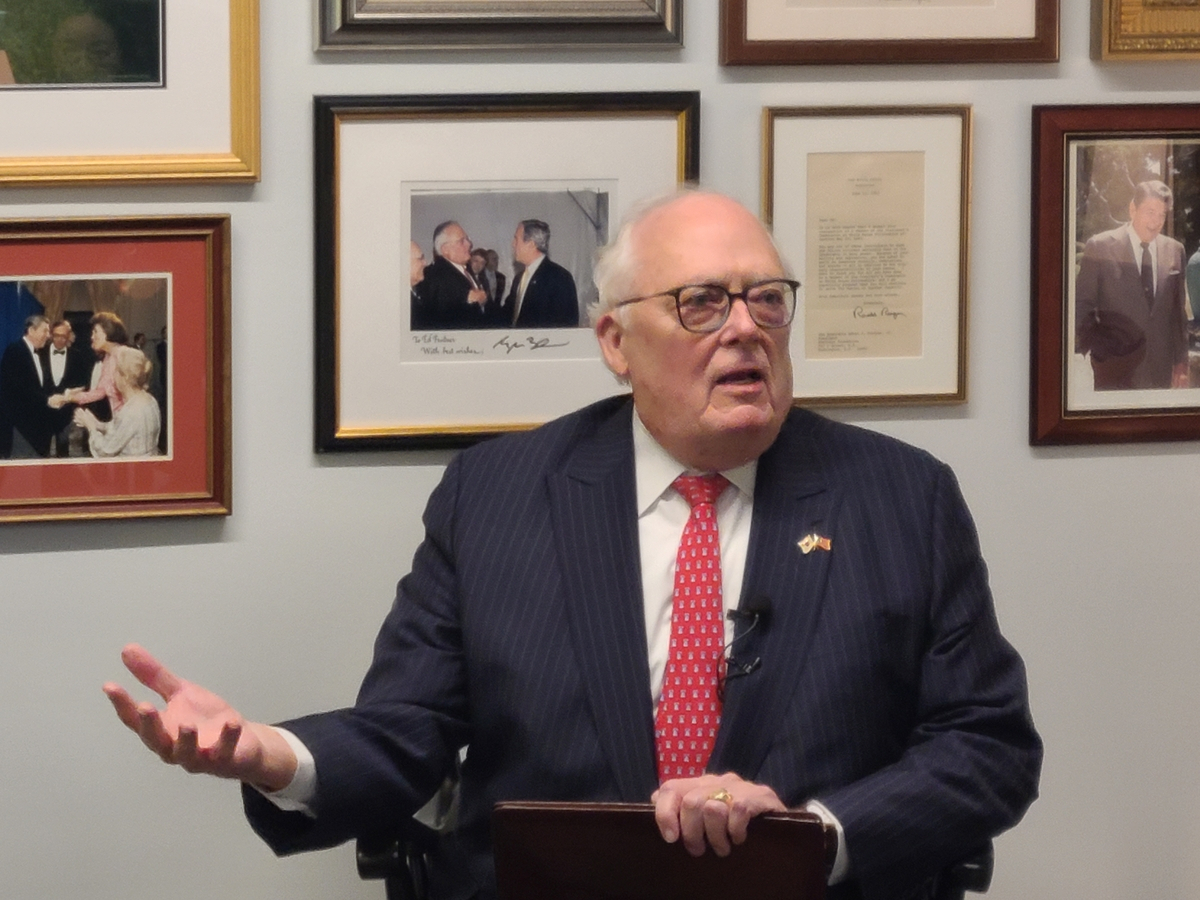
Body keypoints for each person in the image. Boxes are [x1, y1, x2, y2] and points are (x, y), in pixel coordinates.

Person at [104, 191, 1041, 900]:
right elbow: (408, 732)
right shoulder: (500, 495)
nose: (748, 327)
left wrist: (818, 833)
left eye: (766, 299)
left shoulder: (900, 496)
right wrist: (266, 752)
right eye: (703, 303)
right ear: (615, 342)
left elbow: (987, 746)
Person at [1075, 179, 1190, 390]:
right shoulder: (1099, 247)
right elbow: (1082, 306)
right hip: (1115, 371)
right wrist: (1101, 354)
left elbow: (1178, 314)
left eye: (1162, 215)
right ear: (1132, 209)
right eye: (1150, 212)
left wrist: (1181, 362)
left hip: (1160, 372)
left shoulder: (1175, 250)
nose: (1155, 222)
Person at [73, 345, 160, 457]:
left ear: (125, 378)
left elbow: (105, 451)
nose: (112, 376)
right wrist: (97, 424)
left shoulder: (131, 412)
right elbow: (119, 431)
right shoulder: (149, 400)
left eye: (115, 371)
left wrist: (91, 427)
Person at [49, 311, 129, 419]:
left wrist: (66, 398)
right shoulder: (108, 358)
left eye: (95, 332)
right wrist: (67, 398)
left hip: (128, 416)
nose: (92, 337)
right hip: (117, 418)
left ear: (107, 332)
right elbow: (99, 392)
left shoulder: (124, 355)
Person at [411, 222, 491, 330]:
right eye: (462, 241)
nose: (469, 244)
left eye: (468, 239)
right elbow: (436, 311)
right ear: (445, 250)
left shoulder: (465, 269)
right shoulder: (435, 274)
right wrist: (466, 299)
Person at [504, 218, 580, 328]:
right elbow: (505, 316)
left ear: (531, 244)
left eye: (516, 239)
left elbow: (566, 324)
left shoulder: (559, 278)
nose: (513, 244)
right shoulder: (519, 279)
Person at [0, 315, 55, 458]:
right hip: (20, 429)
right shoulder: (14, 351)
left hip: (38, 429)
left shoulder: (42, 354)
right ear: (31, 330)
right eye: (45, 331)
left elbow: (42, 386)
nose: (48, 336)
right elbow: (17, 388)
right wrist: (47, 400)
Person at [38, 320, 93, 456]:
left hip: (65, 411)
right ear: (51, 335)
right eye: (57, 335)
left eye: (64, 336)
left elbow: (83, 382)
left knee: (63, 448)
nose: (60, 340)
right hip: (43, 409)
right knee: (41, 447)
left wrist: (68, 396)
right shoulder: (39, 354)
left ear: (69, 336)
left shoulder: (77, 356)